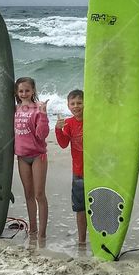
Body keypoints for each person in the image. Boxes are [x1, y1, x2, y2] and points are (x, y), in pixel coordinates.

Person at [14, 76, 49, 238]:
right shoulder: (14, 109)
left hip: (37, 156)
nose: (24, 93)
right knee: (28, 194)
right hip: (22, 157)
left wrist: (42, 114)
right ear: (17, 92)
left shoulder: (37, 109)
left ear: (33, 91)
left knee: (39, 194)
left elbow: (42, 135)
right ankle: (33, 229)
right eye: (21, 91)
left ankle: (42, 232)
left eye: (27, 90)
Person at [55, 89, 85, 245]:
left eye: (79, 103)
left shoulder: (94, 120)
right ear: (68, 105)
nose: (76, 106)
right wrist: (58, 129)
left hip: (96, 172)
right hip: (78, 172)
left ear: (86, 103)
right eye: (72, 103)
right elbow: (63, 144)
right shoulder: (68, 123)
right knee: (80, 209)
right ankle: (81, 241)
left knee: (97, 206)